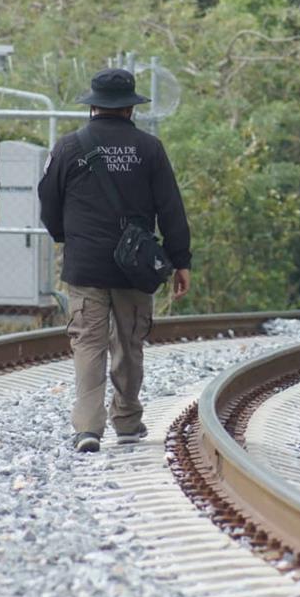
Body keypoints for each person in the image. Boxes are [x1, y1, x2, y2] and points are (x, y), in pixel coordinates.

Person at [38, 68, 191, 453]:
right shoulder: (150, 148)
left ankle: (88, 428)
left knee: (88, 343)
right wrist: (180, 260)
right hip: (134, 267)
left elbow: (48, 202)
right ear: (130, 108)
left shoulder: (68, 147)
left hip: (85, 264)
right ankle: (126, 419)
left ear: (93, 106)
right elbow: (171, 208)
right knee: (129, 342)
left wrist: (66, 237)